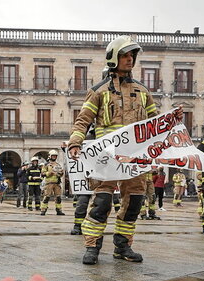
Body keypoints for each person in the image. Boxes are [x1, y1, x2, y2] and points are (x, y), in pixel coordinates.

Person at [68, 35, 171, 265]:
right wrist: (75, 143)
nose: (130, 60)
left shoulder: (143, 92)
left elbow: (154, 125)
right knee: (102, 202)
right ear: (114, 57)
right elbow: (83, 121)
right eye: (125, 55)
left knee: (134, 202)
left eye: (132, 56)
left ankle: (123, 246)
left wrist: (171, 123)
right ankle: (92, 247)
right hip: (106, 159)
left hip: (135, 159)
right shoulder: (99, 91)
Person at [40, 149, 65, 216]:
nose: (54, 157)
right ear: (50, 156)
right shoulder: (46, 165)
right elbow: (42, 174)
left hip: (57, 183)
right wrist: (49, 173)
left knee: (58, 197)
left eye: (55, 156)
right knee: (47, 197)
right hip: (49, 183)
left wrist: (61, 173)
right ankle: (43, 210)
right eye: (53, 156)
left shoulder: (58, 165)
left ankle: (59, 210)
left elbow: (61, 175)